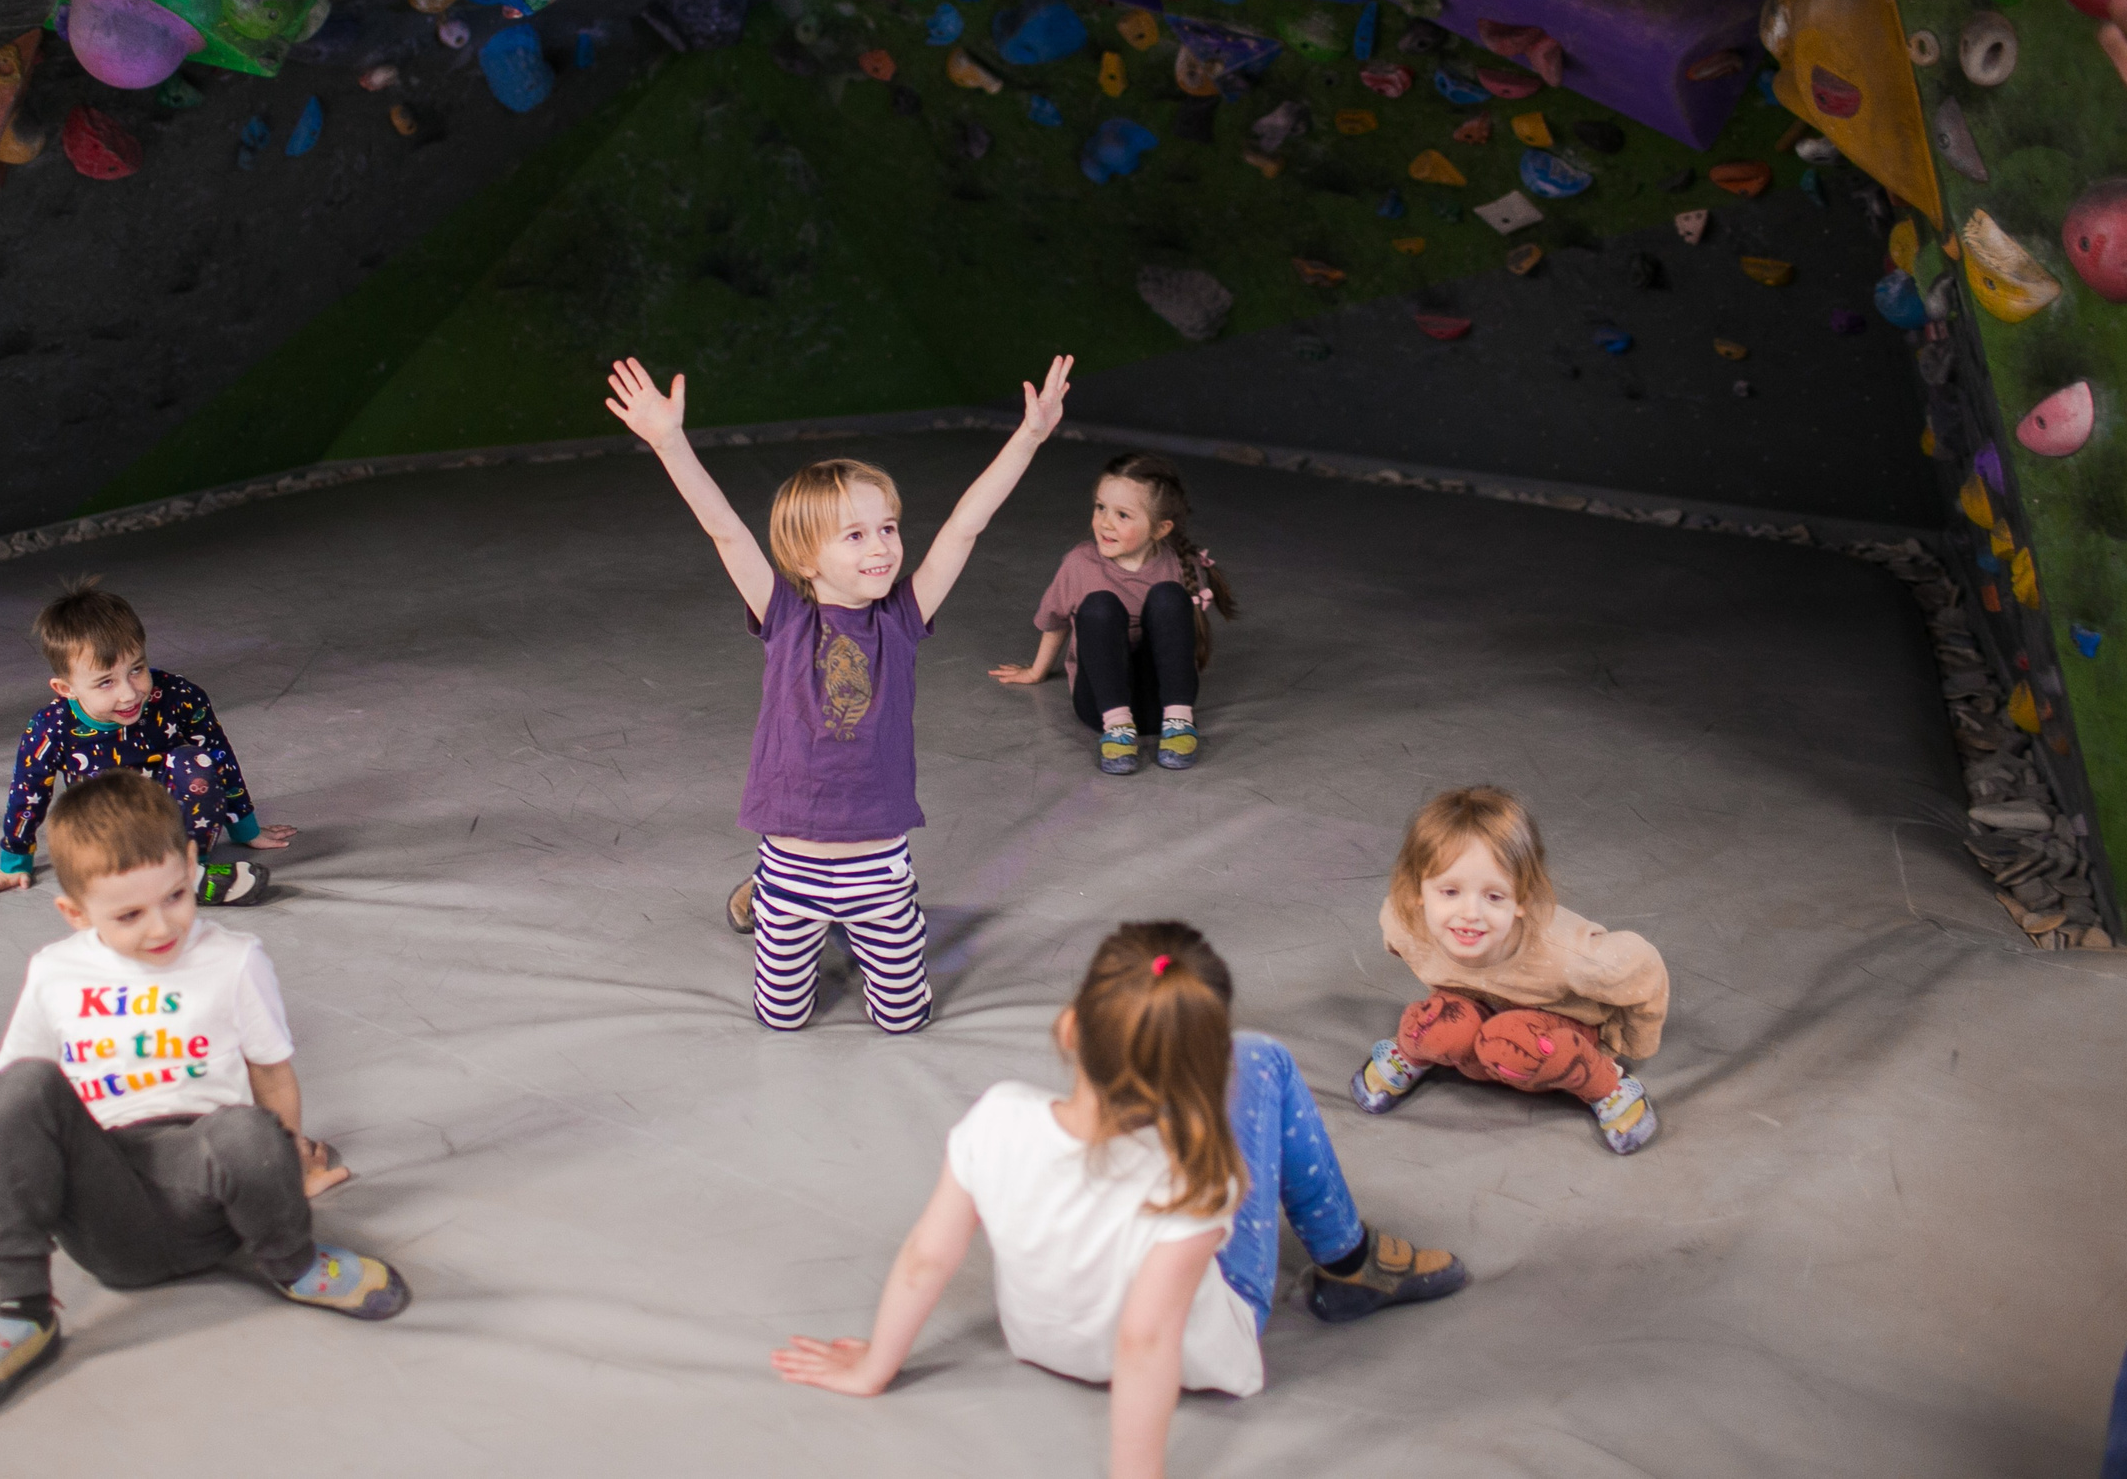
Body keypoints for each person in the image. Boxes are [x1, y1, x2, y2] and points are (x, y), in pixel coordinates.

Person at [772, 922, 1467, 1478]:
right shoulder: (1199, 1175)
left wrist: (873, 1365)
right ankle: (1350, 1261)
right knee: (1262, 1056)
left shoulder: (996, 1117)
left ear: (1072, 1027)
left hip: (1042, 1339)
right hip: (1202, 1357)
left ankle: (1347, 1255)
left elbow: (929, 1255)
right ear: (1199, 1073)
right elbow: (1144, 1339)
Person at [604, 353, 1073, 1034]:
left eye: (887, 527)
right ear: (804, 558)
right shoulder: (786, 617)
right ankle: (766, 895)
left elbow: (964, 527)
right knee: (781, 1018)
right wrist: (670, 442)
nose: (882, 547)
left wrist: (1027, 437)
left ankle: (849, 921)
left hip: (878, 867)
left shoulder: (902, 620)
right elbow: (725, 529)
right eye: (854, 535)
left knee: (904, 1019)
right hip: (792, 863)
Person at [0, 771, 404, 1419]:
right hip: (104, 1209)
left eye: (176, 896)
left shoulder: (234, 959)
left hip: (208, 1197)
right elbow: (21, 1106)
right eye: (128, 914)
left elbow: (271, 1075)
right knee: (22, 1081)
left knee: (244, 1129)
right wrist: (15, 1191)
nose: (161, 927)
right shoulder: (54, 971)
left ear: (190, 863)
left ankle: (296, 1263)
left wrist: (286, 1167)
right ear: (75, 912)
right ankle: (24, 1311)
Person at [1352, 786, 1668, 1154]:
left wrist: (1625, 1044)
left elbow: (1643, 968)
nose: (1470, 914)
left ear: (1522, 899)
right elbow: (1400, 942)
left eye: (1494, 896)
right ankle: (1414, 1054)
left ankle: (1606, 1085)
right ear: (1419, 891)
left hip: (1553, 1033)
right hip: (1479, 1011)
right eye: (1450, 892)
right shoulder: (1404, 923)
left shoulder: (1569, 955)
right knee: (1431, 1026)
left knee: (1510, 1040)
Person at [0, 581, 294, 904]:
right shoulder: (50, 727)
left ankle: (188, 868)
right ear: (66, 689)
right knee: (82, 818)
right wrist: (14, 861)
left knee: (194, 761)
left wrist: (245, 828)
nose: (129, 692)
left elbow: (220, 759)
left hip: (176, 827)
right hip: (110, 837)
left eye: (136, 669)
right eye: (105, 682)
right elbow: (28, 794)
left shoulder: (178, 696)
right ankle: (176, 881)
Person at [990, 452, 1235, 775]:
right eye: (1100, 507)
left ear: (1160, 529)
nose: (1105, 522)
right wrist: (1038, 670)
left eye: (1123, 515)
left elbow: (1181, 635)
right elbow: (1057, 620)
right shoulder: (1080, 564)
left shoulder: (1177, 565)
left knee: (1168, 597)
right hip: (1102, 706)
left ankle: (1179, 722)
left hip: (1159, 707)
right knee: (1099, 605)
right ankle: (1119, 730)